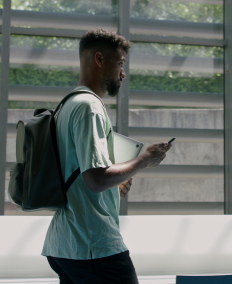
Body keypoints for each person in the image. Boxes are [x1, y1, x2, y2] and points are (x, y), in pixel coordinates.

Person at [42, 28, 171, 284]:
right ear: (100, 60)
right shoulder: (90, 107)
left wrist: (118, 182)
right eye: (120, 63)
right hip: (93, 244)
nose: (123, 72)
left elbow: (82, 176)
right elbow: (96, 180)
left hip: (64, 245)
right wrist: (144, 160)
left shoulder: (67, 105)